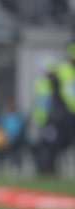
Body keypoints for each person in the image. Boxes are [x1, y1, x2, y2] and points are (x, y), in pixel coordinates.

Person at [32, 42, 75, 176]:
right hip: (53, 118)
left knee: (55, 143)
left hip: (57, 116)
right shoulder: (62, 73)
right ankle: (46, 169)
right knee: (51, 144)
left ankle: (48, 168)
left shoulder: (58, 75)